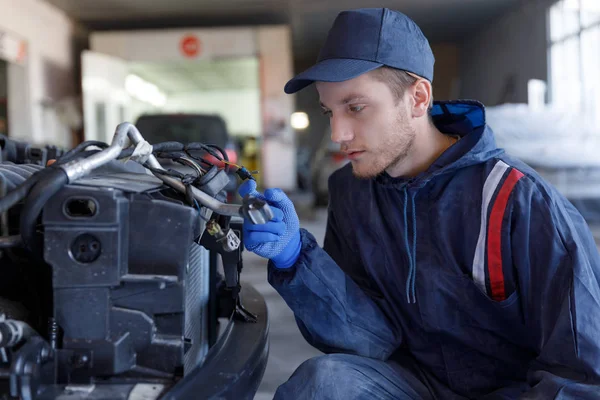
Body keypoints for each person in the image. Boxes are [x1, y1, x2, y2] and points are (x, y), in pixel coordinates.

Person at [238, 7, 600, 400]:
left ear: (418, 98)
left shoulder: (520, 201)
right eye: (330, 111)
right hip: (412, 385)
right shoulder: (352, 192)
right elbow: (369, 341)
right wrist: (296, 259)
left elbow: (582, 371)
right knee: (322, 383)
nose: (338, 133)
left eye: (355, 107)